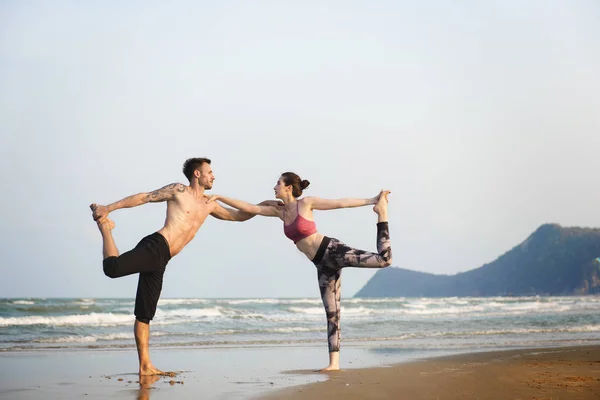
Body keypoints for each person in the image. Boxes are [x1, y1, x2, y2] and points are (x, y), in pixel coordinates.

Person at [90, 157, 269, 376]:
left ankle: (145, 366)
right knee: (113, 269)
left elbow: (238, 216)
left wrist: (262, 206)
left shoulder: (209, 203)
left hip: (163, 258)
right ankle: (105, 228)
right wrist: (108, 208)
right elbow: (144, 197)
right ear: (197, 174)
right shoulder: (179, 190)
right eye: (209, 172)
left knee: (144, 314)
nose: (213, 176)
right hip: (155, 246)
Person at [208, 172, 392, 371]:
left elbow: (340, 203)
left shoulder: (306, 203)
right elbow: (250, 207)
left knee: (384, 260)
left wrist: (372, 200)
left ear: (288, 187)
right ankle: (334, 364)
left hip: (333, 251)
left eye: (278, 183)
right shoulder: (280, 212)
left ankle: (382, 213)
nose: (274, 186)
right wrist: (220, 197)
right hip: (321, 264)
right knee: (332, 314)